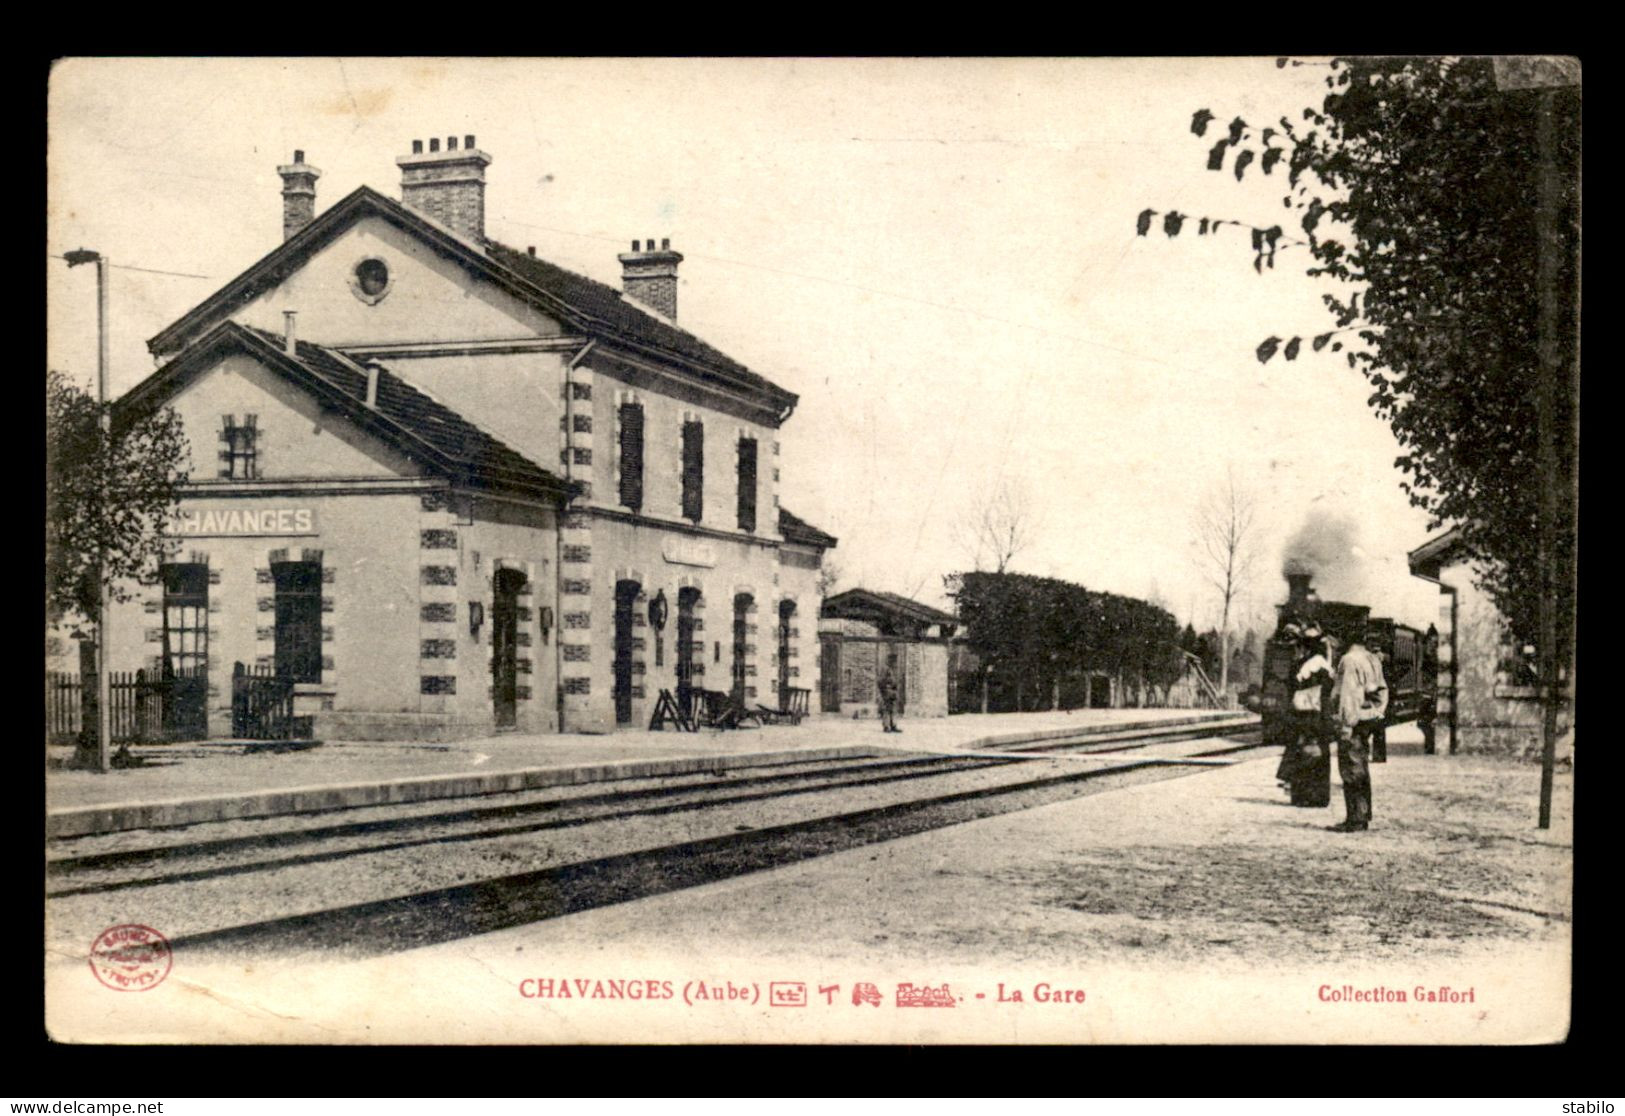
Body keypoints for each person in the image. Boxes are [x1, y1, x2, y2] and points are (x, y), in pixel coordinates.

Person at [1330, 626, 1388, 832]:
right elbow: (1382, 691)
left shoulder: (1349, 660)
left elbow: (1348, 697)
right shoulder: (1372, 659)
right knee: (1362, 767)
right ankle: (1362, 815)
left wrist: (1346, 725)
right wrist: (1376, 712)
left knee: (1351, 769)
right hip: (1367, 720)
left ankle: (1355, 819)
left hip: (1353, 722)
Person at [1285, 624, 1334, 807]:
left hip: (1306, 715)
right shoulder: (1325, 666)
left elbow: (1295, 691)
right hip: (1321, 715)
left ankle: (1303, 796)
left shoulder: (1305, 667)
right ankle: (1320, 796)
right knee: (1320, 755)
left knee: (1304, 752)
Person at [878, 661, 901, 733]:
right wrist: (885, 691)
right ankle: (886, 726)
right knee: (887, 710)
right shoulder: (885, 669)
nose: (894, 663)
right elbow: (880, 681)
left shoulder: (892, 670)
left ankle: (893, 725)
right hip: (887, 693)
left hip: (892, 693)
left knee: (893, 709)